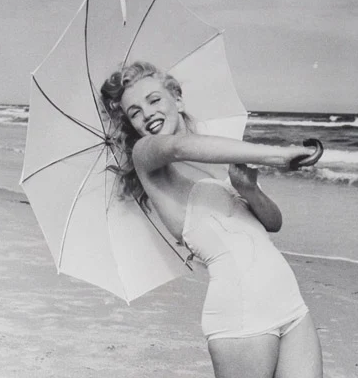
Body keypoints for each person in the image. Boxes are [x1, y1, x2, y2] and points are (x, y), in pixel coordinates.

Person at [101, 62, 323, 378]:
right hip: (242, 316)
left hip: (290, 303)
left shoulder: (214, 155)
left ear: (177, 99)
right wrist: (275, 155)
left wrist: (249, 190)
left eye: (154, 100)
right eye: (135, 112)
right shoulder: (145, 155)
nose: (147, 114)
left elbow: (273, 223)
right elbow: (177, 147)